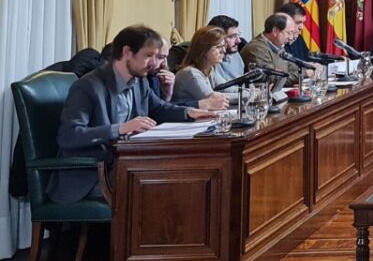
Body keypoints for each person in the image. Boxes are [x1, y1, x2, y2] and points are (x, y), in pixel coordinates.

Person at [48, 25, 216, 203]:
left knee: (187, 172)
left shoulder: (139, 80)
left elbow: (158, 109)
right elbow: (69, 136)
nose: (154, 64)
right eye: (148, 55)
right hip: (93, 174)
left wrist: (190, 112)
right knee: (168, 184)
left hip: (127, 163)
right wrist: (120, 129)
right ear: (127, 52)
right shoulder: (88, 86)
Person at [173, 26, 235, 108]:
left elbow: (229, 89)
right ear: (203, 49)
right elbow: (214, 99)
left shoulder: (210, 69)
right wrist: (249, 95)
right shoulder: (190, 73)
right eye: (218, 47)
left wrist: (249, 92)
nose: (223, 50)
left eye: (224, 46)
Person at [243, 13, 302, 85]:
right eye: (289, 33)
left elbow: (294, 68)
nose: (291, 38)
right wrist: (305, 74)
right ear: (275, 31)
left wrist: (306, 69)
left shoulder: (278, 45)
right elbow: (272, 79)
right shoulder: (256, 48)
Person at [207, 14, 246, 85]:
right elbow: (220, 88)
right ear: (217, 37)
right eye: (232, 36)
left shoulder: (235, 55)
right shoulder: (209, 60)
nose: (239, 41)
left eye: (238, 35)